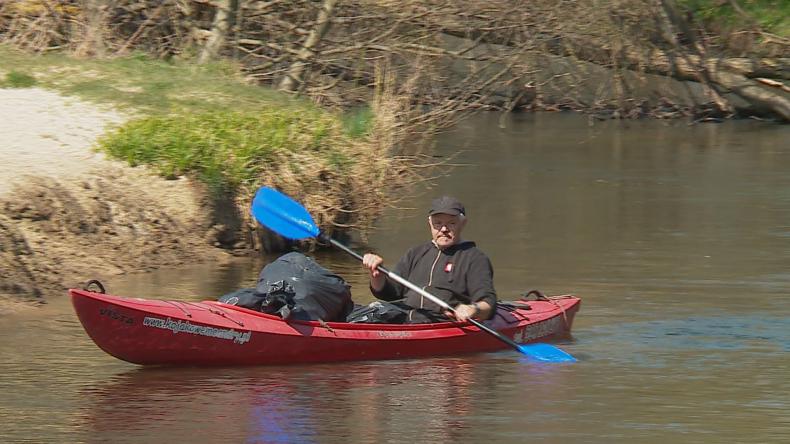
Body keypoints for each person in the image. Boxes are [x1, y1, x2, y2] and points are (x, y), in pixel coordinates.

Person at [362, 196, 497, 323]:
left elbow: (488, 303)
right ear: (430, 223)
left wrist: (474, 309)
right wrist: (377, 276)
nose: (444, 229)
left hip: (442, 323)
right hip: (405, 321)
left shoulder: (475, 258)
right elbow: (389, 294)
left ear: (462, 223)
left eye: (451, 223)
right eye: (438, 223)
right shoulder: (415, 253)